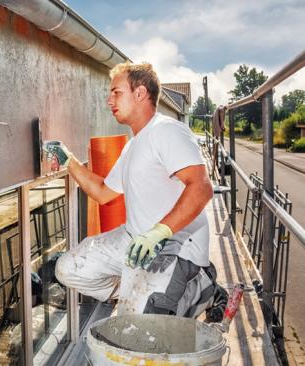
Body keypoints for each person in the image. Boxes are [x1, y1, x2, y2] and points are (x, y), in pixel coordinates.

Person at [44, 62, 226, 318]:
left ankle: (201, 287)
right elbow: (102, 192)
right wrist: (68, 159)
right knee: (68, 268)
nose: (109, 101)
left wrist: (159, 232)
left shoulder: (166, 131)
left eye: (116, 92)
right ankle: (139, 293)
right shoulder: (131, 147)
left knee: (140, 327)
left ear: (140, 93)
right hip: (135, 239)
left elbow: (201, 187)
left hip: (176, 247)